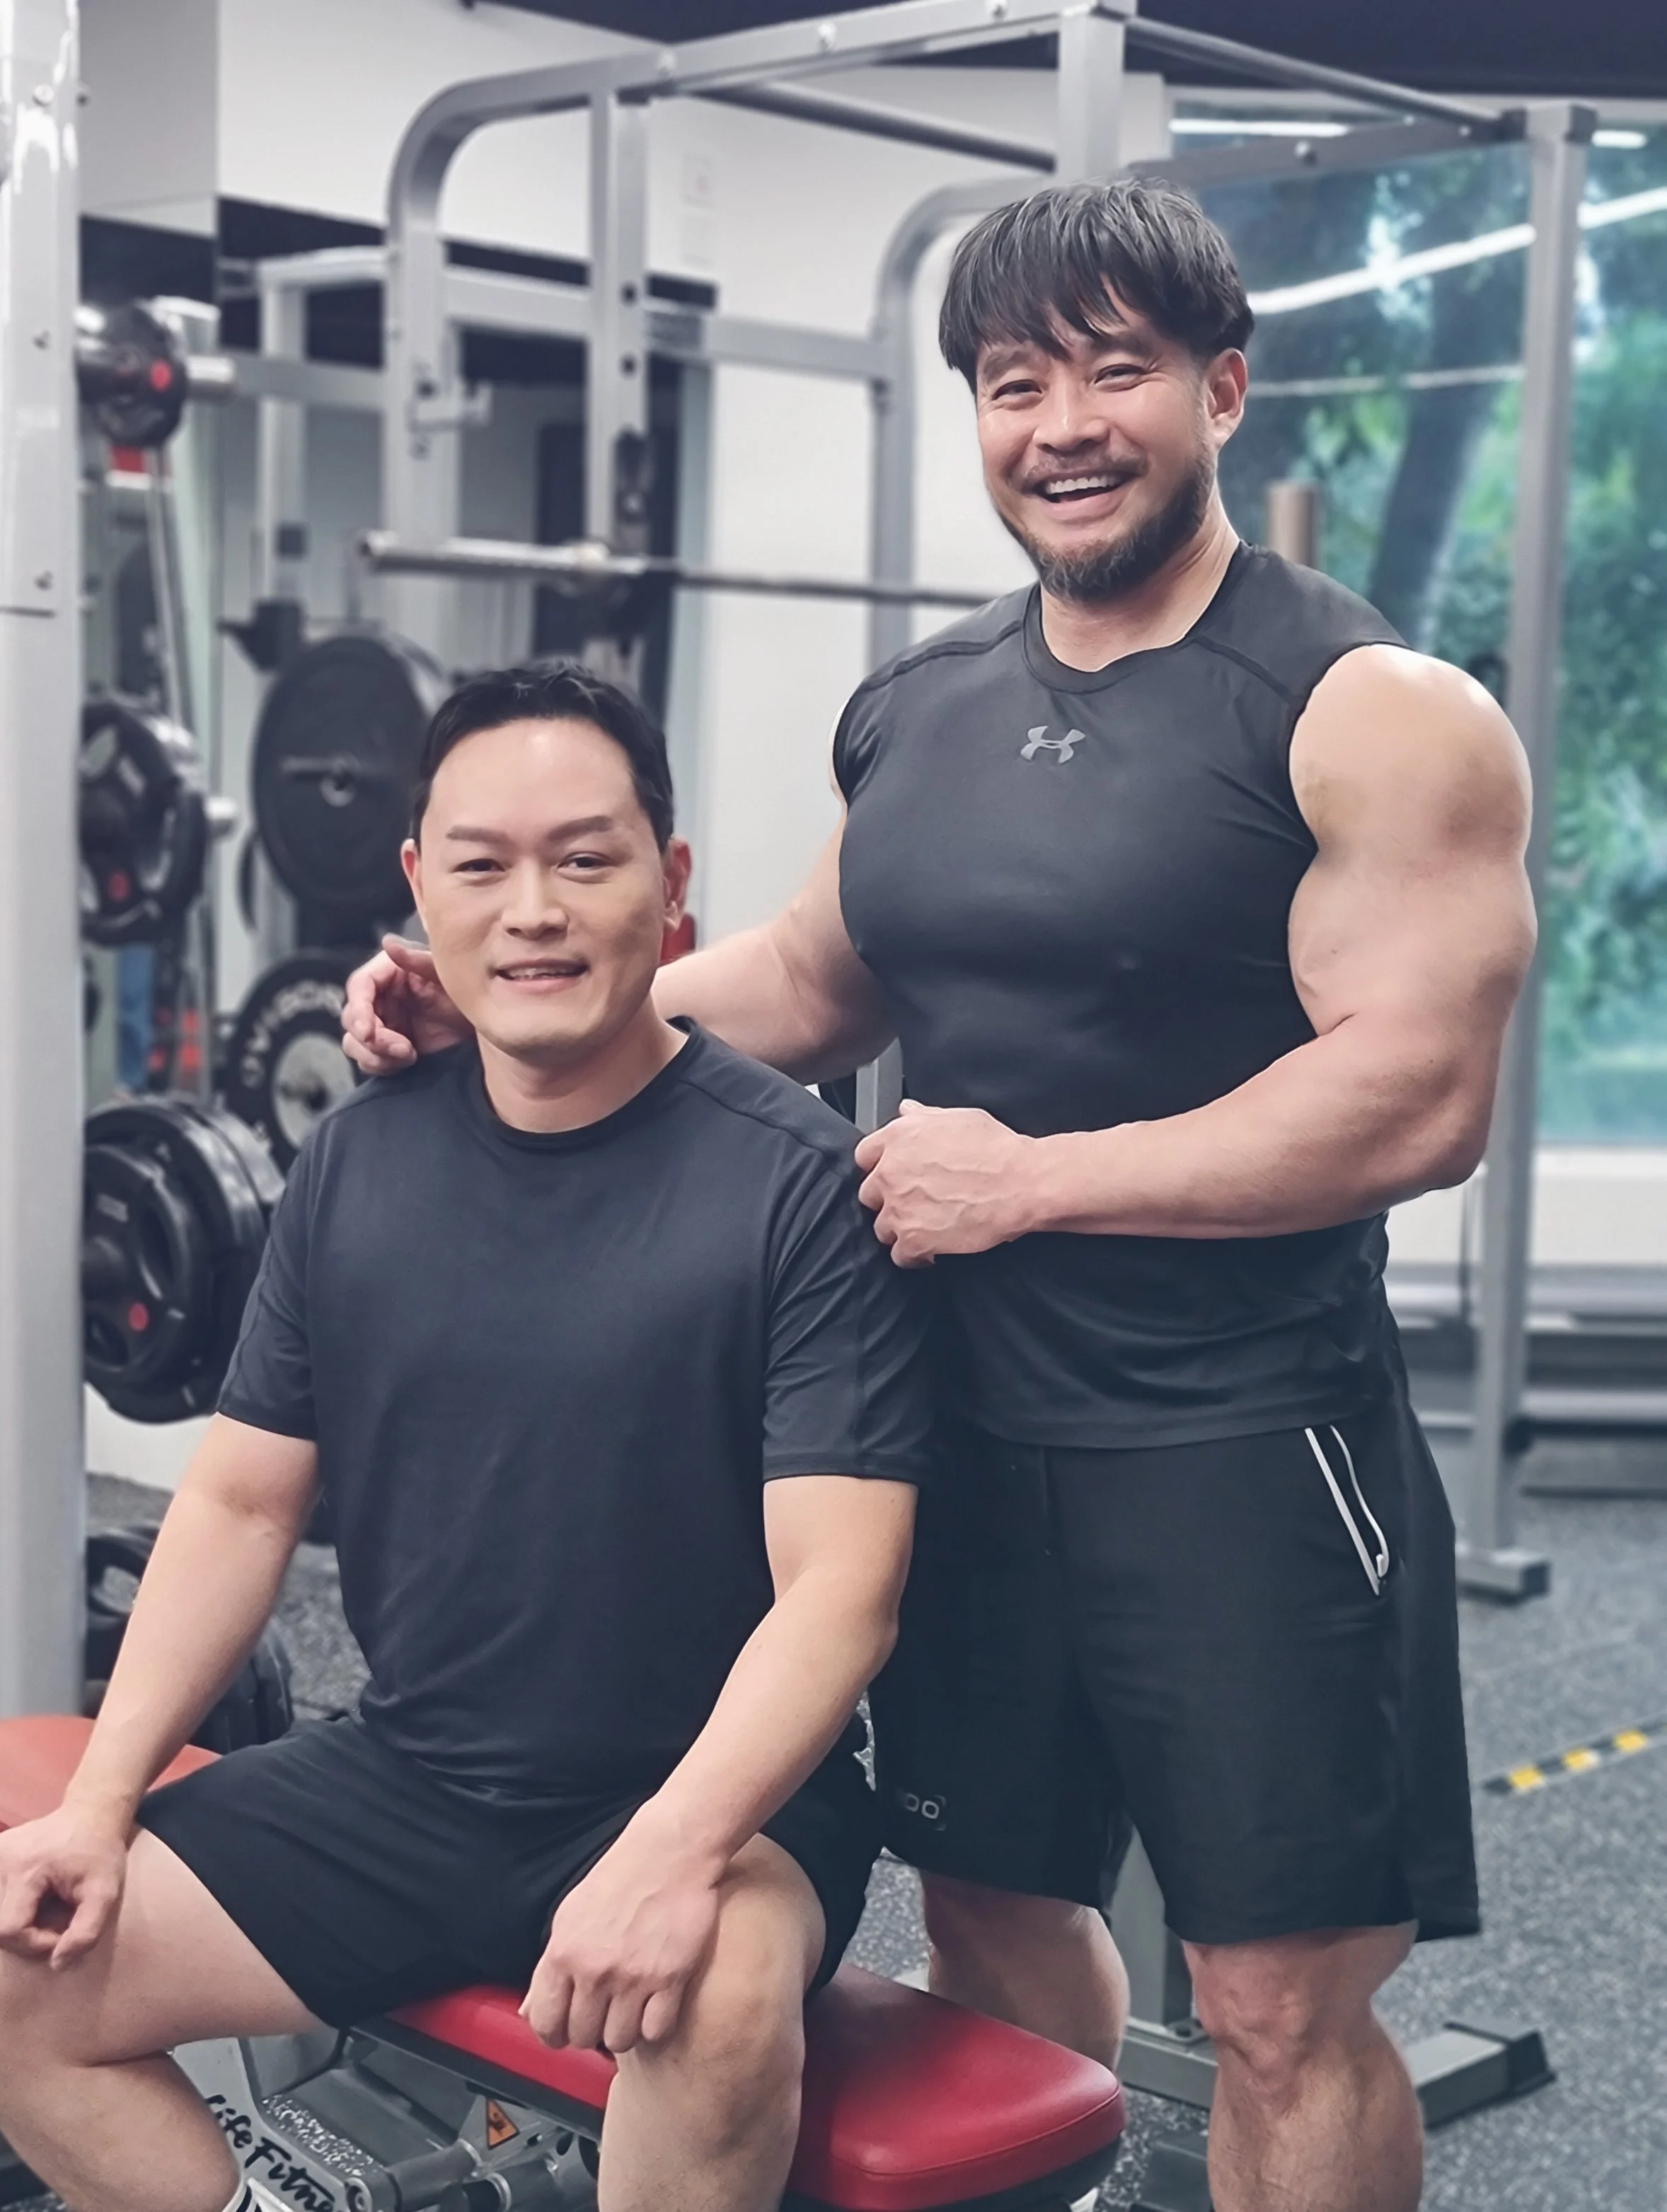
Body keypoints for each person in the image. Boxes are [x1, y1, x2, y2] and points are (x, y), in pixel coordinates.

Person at [343, 179, 1537, 2212]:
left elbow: (1415, 1097)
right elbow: (814, 982)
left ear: (1220, 390)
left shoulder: (1369, 713)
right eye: (1010, 382)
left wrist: (1036, 1180)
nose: (1060, 425)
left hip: (1238, 1437)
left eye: (1111, 372)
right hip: (948, 1430)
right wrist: (523, 1004)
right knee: (988, 1911)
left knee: (1270, 2006)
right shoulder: (921, 703)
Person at [0, 662, 931, 2212]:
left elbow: (841, 1593)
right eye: (480, 866)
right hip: (413, 1776)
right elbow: (240, 1507)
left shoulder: (795, 1186)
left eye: (584, 860)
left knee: (719, 2006)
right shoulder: (354, 1165)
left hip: (715, 1799)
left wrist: (669, 1853)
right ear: (416, 887)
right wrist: (100, 1801)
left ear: (670, 885)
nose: (532, 910)